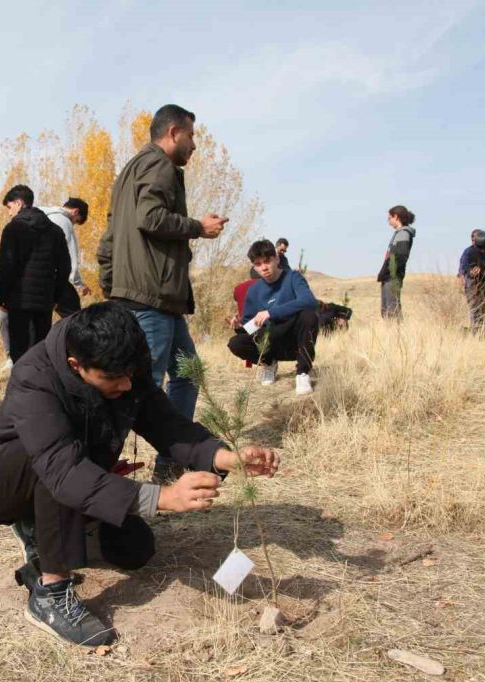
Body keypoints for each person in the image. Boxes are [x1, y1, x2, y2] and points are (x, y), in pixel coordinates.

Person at [0, 302, 281, 646]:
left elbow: (168, 426)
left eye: (131, 374)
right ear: (75, 365)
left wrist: (226, 457)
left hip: (68, 473)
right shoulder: (35, 377)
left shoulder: (124, 366)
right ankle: (50, 593)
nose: (127, 385)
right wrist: (164, 497)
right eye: (114, 378)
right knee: (59, 465)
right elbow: (63, 470)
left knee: (135, 548)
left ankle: (41, 531)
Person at [97, 103, 228, 478]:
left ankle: (171, 457)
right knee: (142, 388)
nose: (195, 145)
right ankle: (100, 467)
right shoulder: (160, 165)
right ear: (173, 133)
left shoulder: (129, 171)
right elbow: (150, 217)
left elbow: (108, 241)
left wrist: (113, 286)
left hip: (148, 296)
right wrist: (197, 228)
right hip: (150, 298)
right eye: (191, 136)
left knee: (187, 373)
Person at [227, 240, 318, 394]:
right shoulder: (254, 290)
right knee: (236, 343)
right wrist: (240, 326)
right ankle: (269, 363)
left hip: (295, 340)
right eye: (258, 264)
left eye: (267, 261)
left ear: (276, 259)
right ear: (254, 267)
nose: (264, 267)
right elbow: (252, 324)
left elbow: (309, 301)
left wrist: (271, 312)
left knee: (308, 315)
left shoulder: (293, 277)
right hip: (271, 341)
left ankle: (302, 373)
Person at [0, 185, 71, 361]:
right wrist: (55, 298)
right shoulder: (55, 231)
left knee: (20, 355)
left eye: (10, 207)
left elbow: (6, 266)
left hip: (18, 302)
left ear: (19, 203)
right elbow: (65, 267)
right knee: (40, 352)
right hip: (44, 302)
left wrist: (0, 296)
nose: (9, 213)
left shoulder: (13, 229)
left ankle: (22, 387)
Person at [41, 198, 91, 318]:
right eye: (75, 222)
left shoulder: (43, 216)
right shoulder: (64, 221)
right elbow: (69, 257)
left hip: (32, 277)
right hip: (51, 276)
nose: (73, 224)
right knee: (75, 316)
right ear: (75, 211)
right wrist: (79, 284)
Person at [376, 206, 416, 319]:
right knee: (386, 310)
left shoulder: (403, 233)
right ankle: (390, 335)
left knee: (392, 310)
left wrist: (390, 272)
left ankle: (397, 335)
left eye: (389, 218)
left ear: (396, 217)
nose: (388, 221)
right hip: (389, 277)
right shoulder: (399, 233)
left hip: (393, 277)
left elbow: (401, 256)